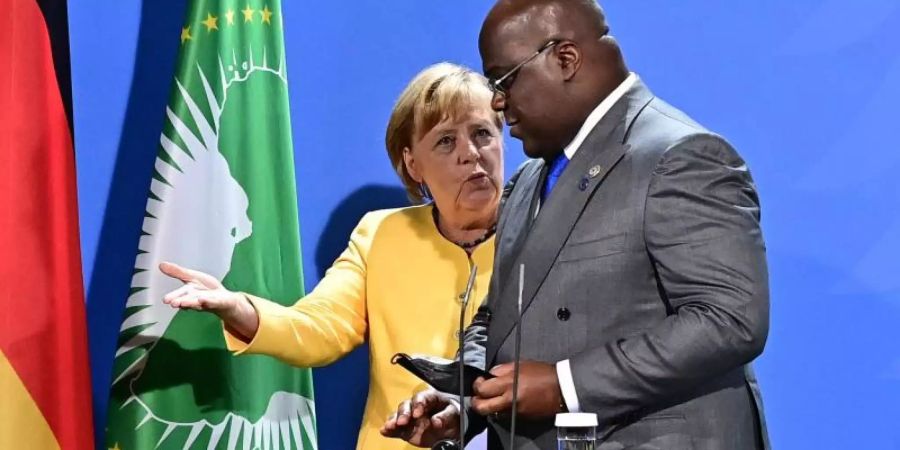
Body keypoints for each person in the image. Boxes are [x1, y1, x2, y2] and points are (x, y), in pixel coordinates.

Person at [382, 1, 770, 449]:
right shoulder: (528, 181)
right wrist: (465, 402)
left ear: (565, 59)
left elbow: (729, 319)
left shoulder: (680, 157)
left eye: (504, 80)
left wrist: (565, 384)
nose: (498, 103)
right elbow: (500, 318)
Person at [159, 62, 505, 450]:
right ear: (412, 163)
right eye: (445, 141)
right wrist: (241, 309)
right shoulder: (381, 234)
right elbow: (319, 329)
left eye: (482, 134)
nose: (471, 154)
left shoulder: (541, 229)